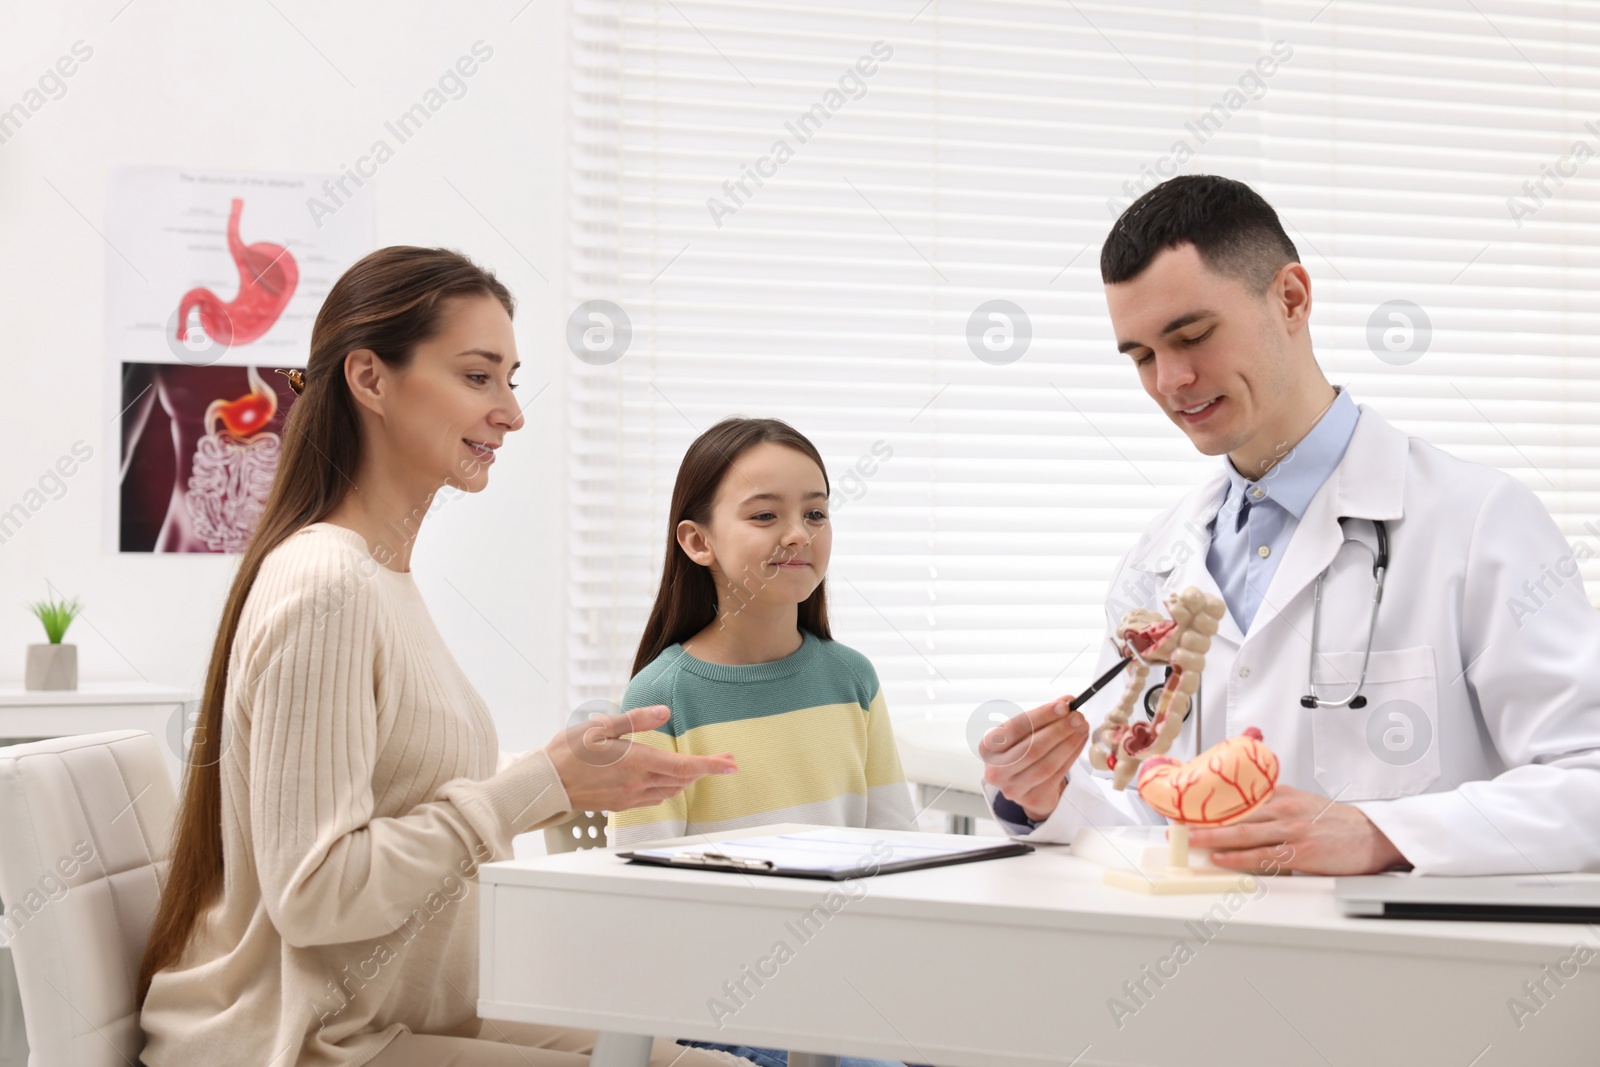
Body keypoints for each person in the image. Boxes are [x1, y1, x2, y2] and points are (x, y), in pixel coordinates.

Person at [138, 247, 750, 1067]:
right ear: (372, 379)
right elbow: (315, 894)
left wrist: (566, 775)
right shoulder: (328, 585)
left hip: (383, 1014)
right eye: (477, 376)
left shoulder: (379, 576)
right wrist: (538, 785)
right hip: (305, 1042)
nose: (511, 412)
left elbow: (405, 783)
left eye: (511, 378)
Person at [979, 175, 1600, 877]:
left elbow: (1588, 778)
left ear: (1292, 299)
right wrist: (1044, 796)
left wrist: (1381, 833)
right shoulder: (1160, 559)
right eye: (1143, 355)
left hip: (1393, 978)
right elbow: (1147, 818)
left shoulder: (1476, 520)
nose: (1171, 380)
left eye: (1193, 334)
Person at [607, 417, 915, 1067]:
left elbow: (896, 852)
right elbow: (648, 910)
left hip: (849, 992)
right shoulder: (661, 701)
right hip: (723, 1010)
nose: (798, 534)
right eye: (765, 515)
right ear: (697, 541)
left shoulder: (852, 679)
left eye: (816, 512)